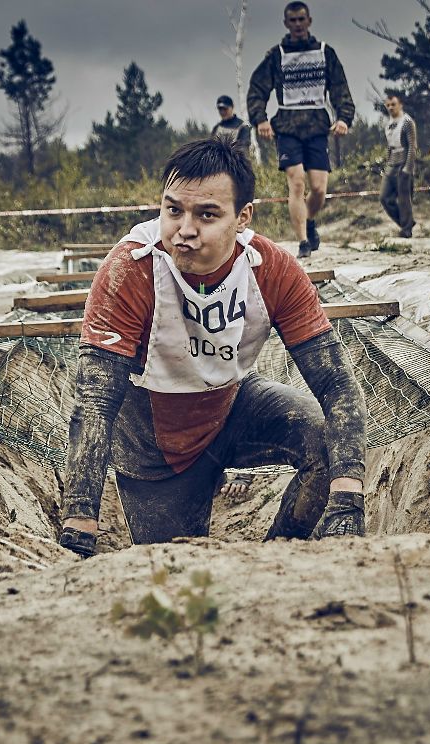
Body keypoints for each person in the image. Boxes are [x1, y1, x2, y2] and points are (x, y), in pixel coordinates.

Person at [57, 138, 367, 557]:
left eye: (207, 215)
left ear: (242, 217)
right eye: (173, 210)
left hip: (231, 406)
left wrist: (347, 499)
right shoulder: (129, 270)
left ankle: (279, 557)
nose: (185, 230)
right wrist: (79, 523)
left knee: (327, 440)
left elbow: (337, 383)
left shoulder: (272, 269)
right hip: (155, 449)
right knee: (179, 569)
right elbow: (95, 402)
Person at [247, 1, 355, 260]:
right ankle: (303, 242)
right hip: (287, 127)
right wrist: (260, 120)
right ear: (286, 23)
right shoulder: (277, 55)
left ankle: (309, 220)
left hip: (317, 126)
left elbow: (340, 88)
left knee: (318, 189)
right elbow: (257, 89)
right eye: (292, 20)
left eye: (301, 19)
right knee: (296, 183)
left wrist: (344, 118)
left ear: (309, 21)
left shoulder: (325, 52)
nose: (297, 24)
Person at [381, 95, 417, 238]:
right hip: (391, 164)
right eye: (388, 105)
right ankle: (407, 222)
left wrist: (408, 167)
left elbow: (412, 146)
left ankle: (406, 229)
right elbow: (389, 146)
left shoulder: (407, 121)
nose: (390, 107)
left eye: (393, 104)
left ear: (400, 105)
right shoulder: (388, 124)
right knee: (384, 198)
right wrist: (387, 163)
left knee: (404, 199)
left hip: (403, 162)